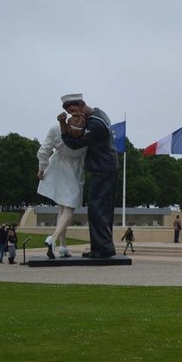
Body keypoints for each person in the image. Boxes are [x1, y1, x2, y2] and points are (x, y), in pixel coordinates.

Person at [59, 93, 118, 258]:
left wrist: (63, 126)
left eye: (73, 111)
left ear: (82, 104)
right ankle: (101, 247)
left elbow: (74, 144)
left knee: (97, 208)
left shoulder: (95, 124)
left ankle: (103, 249)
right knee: (101, 208)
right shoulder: (99, 114)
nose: (73, 116)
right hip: (106, 166)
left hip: (102, 167)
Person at [37, 116, 87, 258]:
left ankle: (63, 246)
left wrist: (42, 169)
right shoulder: (86, 134)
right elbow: (44, 151)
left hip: (59, 168)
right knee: (69, 209)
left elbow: (44, 150)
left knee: (62, 209)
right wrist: (42, 168)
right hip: (70, 170)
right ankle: (52, 238)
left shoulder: (56, 129)